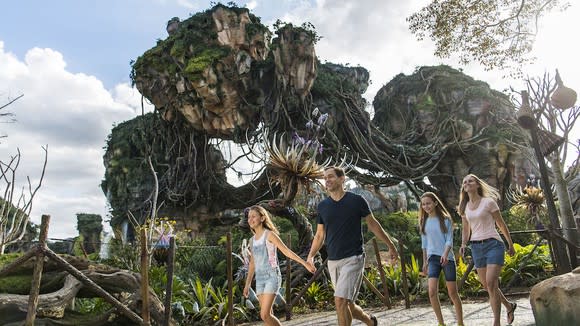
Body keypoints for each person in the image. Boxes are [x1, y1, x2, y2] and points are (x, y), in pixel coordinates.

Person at [307, 166, 399, 326]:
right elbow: (320, 235)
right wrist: (311, 255)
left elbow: (373, 225)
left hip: (353, 257)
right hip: (333, 260)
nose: (327, 180)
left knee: (340, 300)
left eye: (330, 176)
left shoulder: (357, 201)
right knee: (346, 303)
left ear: (342, 179)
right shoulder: (322, 206)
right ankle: (370, 321)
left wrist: (390, 245)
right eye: (325, 177)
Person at [458, 174, 517, 326]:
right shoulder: (464, 207)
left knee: (491, 283)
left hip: (493, 244)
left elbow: (501, 224)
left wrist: (510, 244)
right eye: (465, 182)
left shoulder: (488, 202)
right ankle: (509, 306)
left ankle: (496, 322)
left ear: (477, 184)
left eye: (470, 181)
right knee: (488, 286)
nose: (467, 183)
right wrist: (464, 244)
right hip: (476, 247)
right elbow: (466, 229)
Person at [243, 205, 315, 326]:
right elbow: (252, 263)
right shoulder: (252, 240)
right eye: (249, 217)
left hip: (272, 276)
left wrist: (305, 263)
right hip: (260, 279)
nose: (250, 219)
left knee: (264, 315)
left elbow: (286, 251)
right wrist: (247, 284)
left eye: (254, 216)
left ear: (262, 218)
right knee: (267, 316)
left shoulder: (269, 235)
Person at [419, 192, 464, 326]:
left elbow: (449, 240)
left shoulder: (445, 219)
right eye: (423, 204)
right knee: (432, 292)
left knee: (453, 293)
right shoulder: (424, 221)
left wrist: (445, 254)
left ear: (435, 203)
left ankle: (461, 322)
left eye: (428, 203)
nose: (425, 206)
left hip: (447, 259)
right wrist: (425, 261)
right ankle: (441, 323)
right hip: (432, 259)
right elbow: (424, 244)